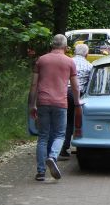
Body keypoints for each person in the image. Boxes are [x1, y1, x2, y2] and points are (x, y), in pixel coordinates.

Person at [28, 34, 80, 181]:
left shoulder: (41, 60)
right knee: (59, 135)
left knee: (43, 137)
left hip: (43, 102)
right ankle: (52, 156)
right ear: (65, 47)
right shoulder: (70, 62)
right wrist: (77, 103)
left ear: (52, 45)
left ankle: (40, 172)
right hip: (60, 103)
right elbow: (75, 87)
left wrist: (32, 105)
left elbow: (34, 85)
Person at [60, 42, 93, 160]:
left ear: (74, 52)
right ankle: (73, 145)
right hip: (77, 95)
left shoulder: (67, 62)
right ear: (87, 54)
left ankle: (59, 148)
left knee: (63, 120)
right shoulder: (89, 66)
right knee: (75, 121)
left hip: (62, 92)